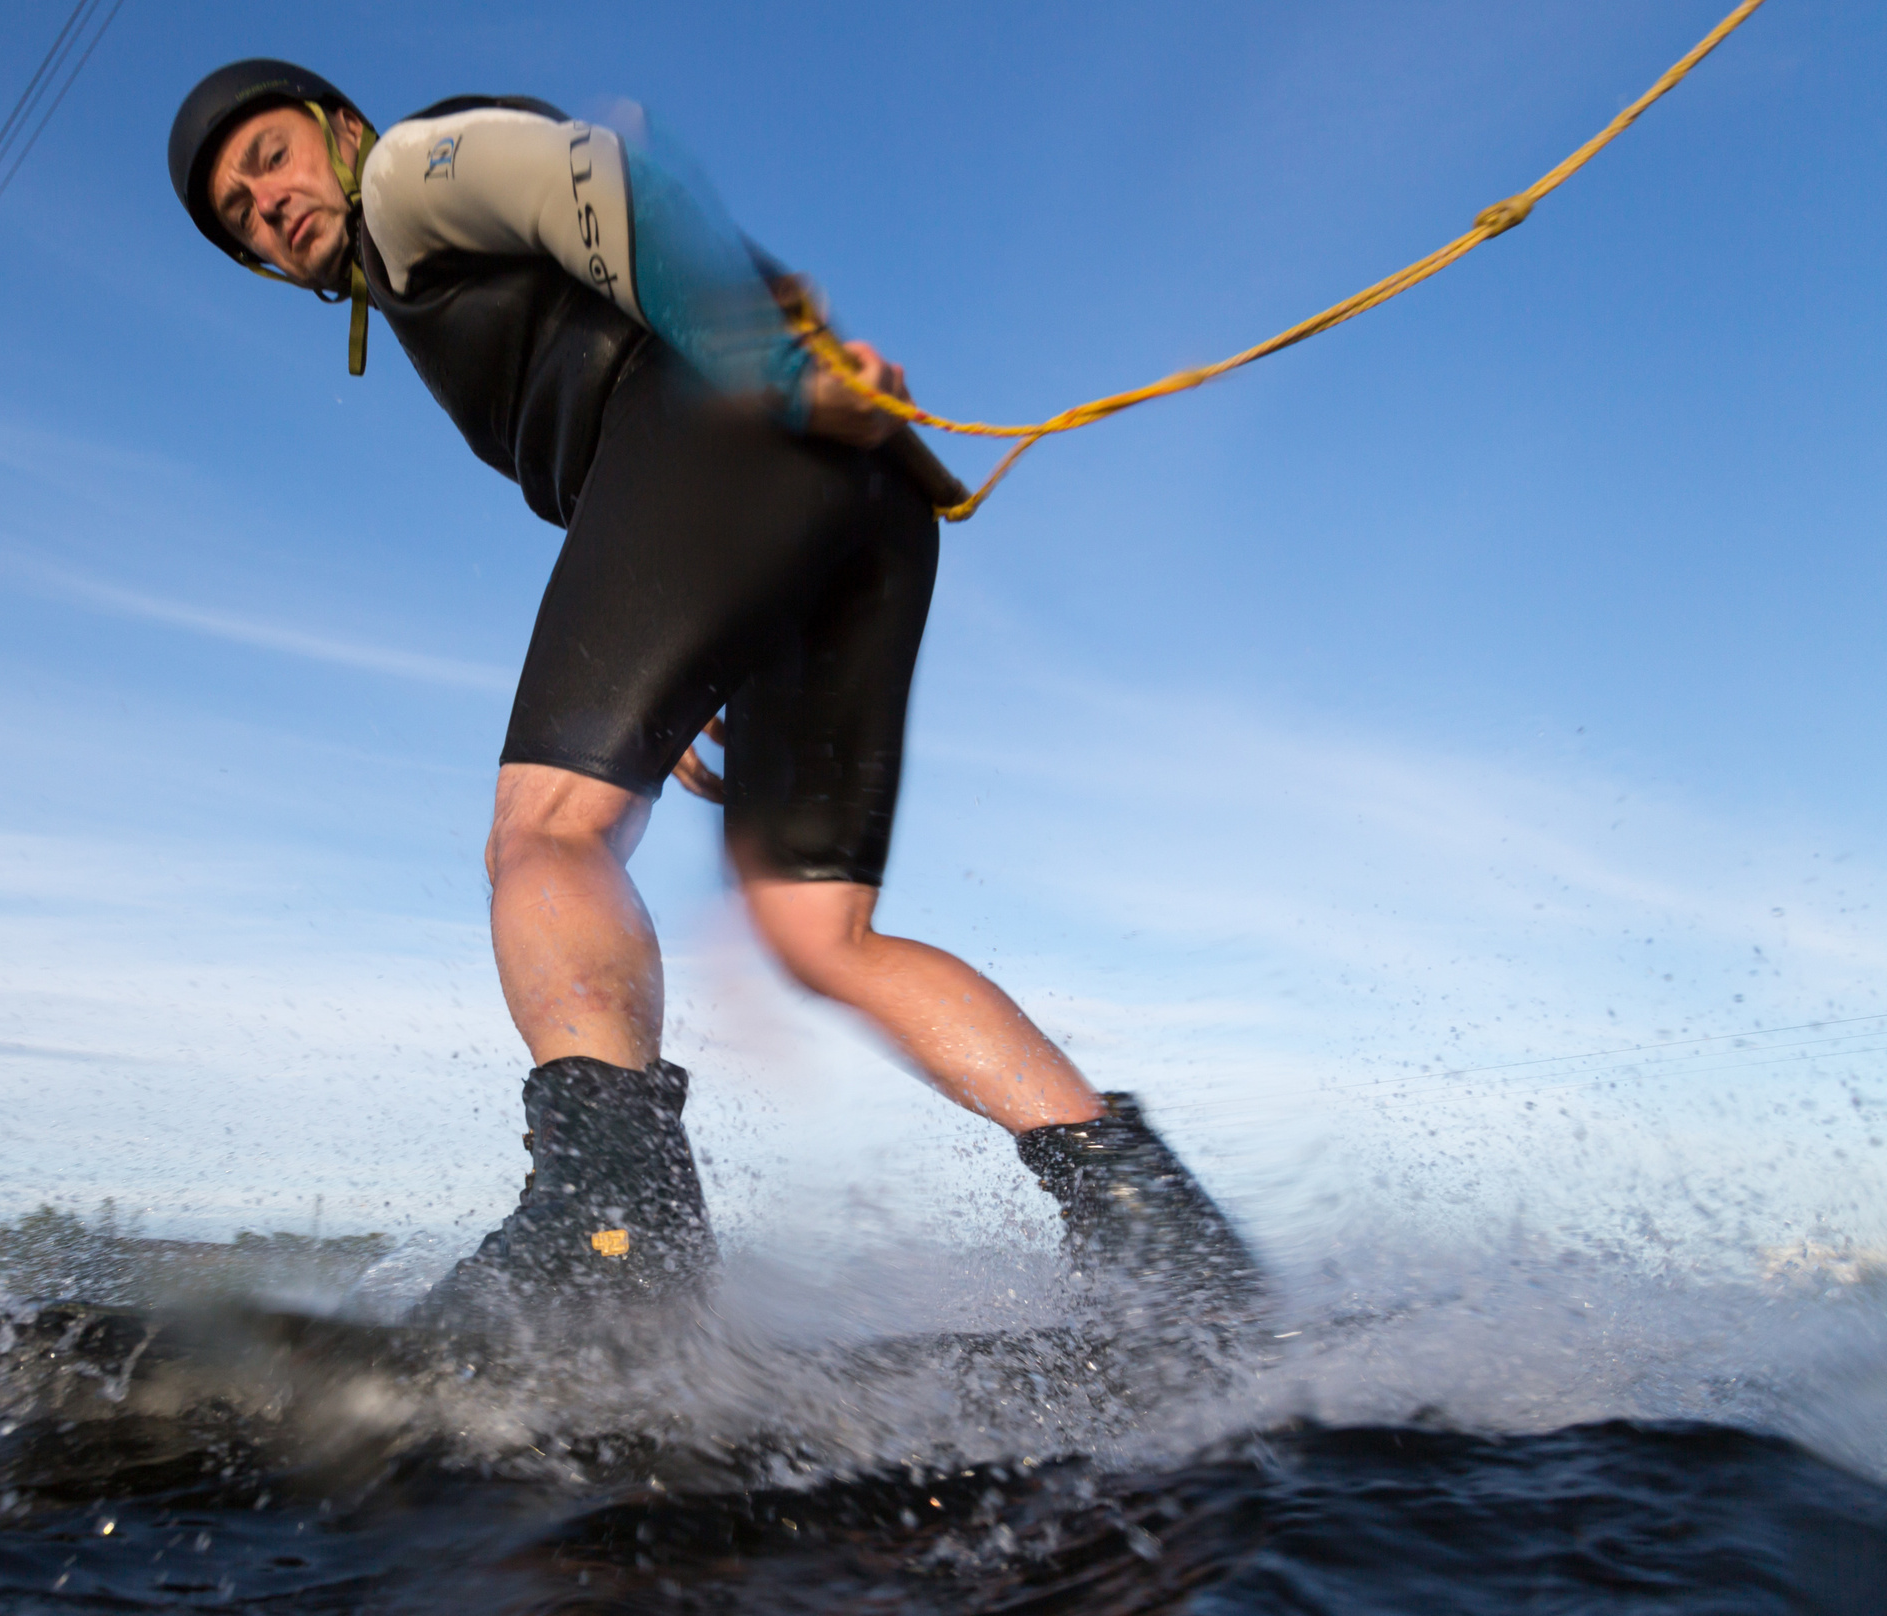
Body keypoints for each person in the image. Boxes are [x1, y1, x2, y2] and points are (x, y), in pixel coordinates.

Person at [165, 61, 1257, 1326]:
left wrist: (769, 373)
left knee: (544, 830)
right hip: (861, 501)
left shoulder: (409, 177)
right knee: (820, 936)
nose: (266, 205)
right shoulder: (423, 282)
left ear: (340, 133)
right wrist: (702, 643)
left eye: (270, 161)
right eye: (239, 218)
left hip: (732, 433)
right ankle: (1154, 1233)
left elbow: (602, 177)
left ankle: (608, 1220)